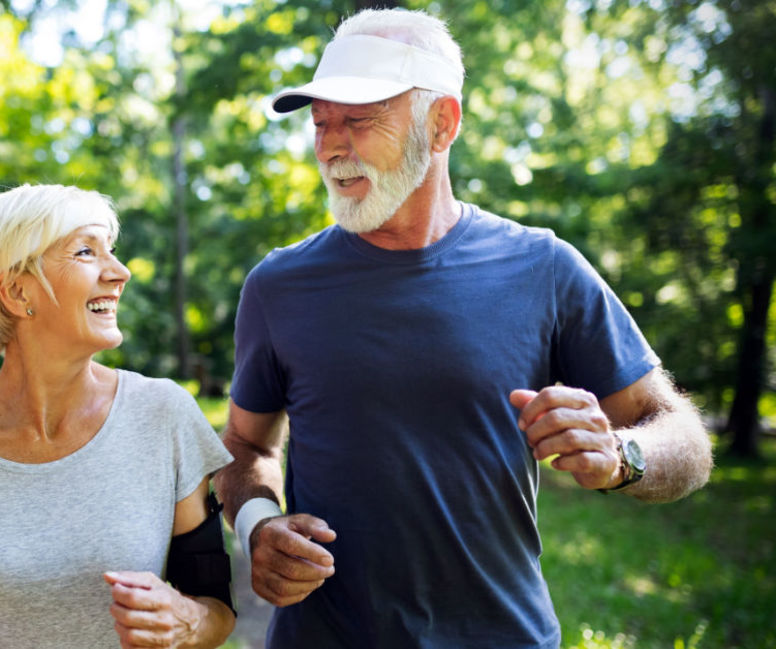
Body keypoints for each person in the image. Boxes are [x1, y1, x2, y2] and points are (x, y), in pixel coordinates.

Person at [212, 8, 714, 649]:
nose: (331, 146)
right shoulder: (277, 285)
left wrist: (623, 457)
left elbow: (685, 438)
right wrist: (257, 524)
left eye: (359, 120)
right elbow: (245, 445)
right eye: (320, 123)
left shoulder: (544, 267)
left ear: (442, 124)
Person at [0, 184, 236, 649]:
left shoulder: (163, 414)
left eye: (111, 251)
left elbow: (217, 610)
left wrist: (186, 621)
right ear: (17, 291)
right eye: (86, 252)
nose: (121, 273)